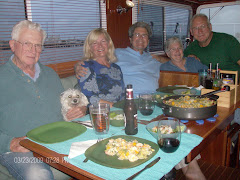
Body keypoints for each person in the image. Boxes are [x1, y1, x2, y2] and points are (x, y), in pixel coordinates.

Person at [75, 22, 206, 180]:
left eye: (144, 35)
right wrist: (77, 66)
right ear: (130, 38)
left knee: (174, 134)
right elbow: (92, 76)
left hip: (152, 105)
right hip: (124, 108)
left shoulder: (126, 64)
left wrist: (185, 57)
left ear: (148, 40)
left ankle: (182, 163)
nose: (140, 38)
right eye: (136, 34)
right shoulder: (117, 54)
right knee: (158, 134)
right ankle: (165, 167)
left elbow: (173, 59)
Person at [0, 20, 86, 180]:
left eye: (38, 45)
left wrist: (80, 109)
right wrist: (8, 143)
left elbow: (67, 107)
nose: (33, 50)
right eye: (27, 43)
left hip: (59, 139)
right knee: (38, 175)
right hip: (23, 148)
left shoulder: (50, 74)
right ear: (12, 45)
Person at [78, 28, 125, 107]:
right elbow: (90, 98)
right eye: (95, 43)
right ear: (90, 47)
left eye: (103, 41)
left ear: (108, 44)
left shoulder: (116, 68)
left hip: (118, 110)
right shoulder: (86, 67)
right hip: (99, 112)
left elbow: (122, 94)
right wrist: (116, 107)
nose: (100, 46)